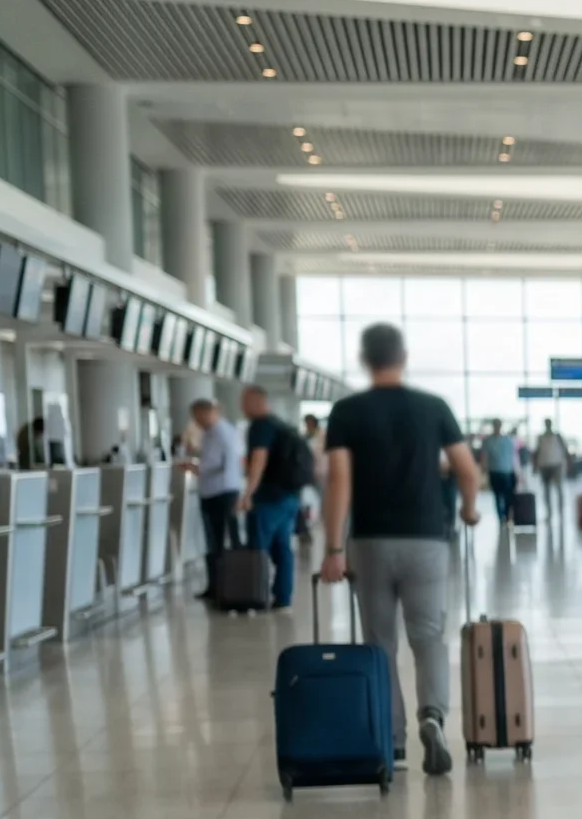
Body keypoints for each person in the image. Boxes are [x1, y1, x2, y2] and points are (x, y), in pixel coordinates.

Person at [318, 323, 484, 777]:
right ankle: (432, 716)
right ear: (403, 356)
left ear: (364, 359)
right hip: (426, 539)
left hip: (370, 541)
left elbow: (339, 481)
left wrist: (333, 547)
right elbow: (468, 471)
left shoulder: (346, 411)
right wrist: (470, 510)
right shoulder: (433, 408)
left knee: (379, 643)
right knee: (429, 635)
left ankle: (393, 741)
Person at [235, 386, 310, 610]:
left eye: (245, 402)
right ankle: (283, 596)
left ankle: (256, 595)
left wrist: (248, 493)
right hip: (290, 498)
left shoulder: (260, 426)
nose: (242, 407)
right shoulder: (281, 425)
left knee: (259, 549)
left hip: (268, 499)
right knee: (283, 548)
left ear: (257, 402)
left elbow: (259, 460)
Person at [187, 399, 247, 558]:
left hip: (219, 492)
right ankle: (222, 576)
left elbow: (213, 463)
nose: (196, 421)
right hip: (222, 490)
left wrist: (193, 468)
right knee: (221, 538)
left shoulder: (218, 433)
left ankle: (221, 577)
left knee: (217, 539)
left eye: (197, 416)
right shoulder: (216, 432)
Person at [481, 419, 519, 521]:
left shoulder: (508, 440)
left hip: (507, 471)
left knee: (507, 496)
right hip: (494, 472)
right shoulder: (487, 441)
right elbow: (484, 456)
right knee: (497, 496)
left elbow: (513, 456)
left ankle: (506, 515)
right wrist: (483, 470)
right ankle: (500, 517)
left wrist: (517, 471)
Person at [531, 419, 570, 505]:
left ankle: (561, 511)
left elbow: (565, 450)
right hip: (544, 466)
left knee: (559, 488)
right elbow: (536, 452)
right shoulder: (540, 437)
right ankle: (549, 513)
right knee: (546, 490)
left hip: (557, 465)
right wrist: (535, 466)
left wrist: (569, 464)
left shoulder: (558, 436)